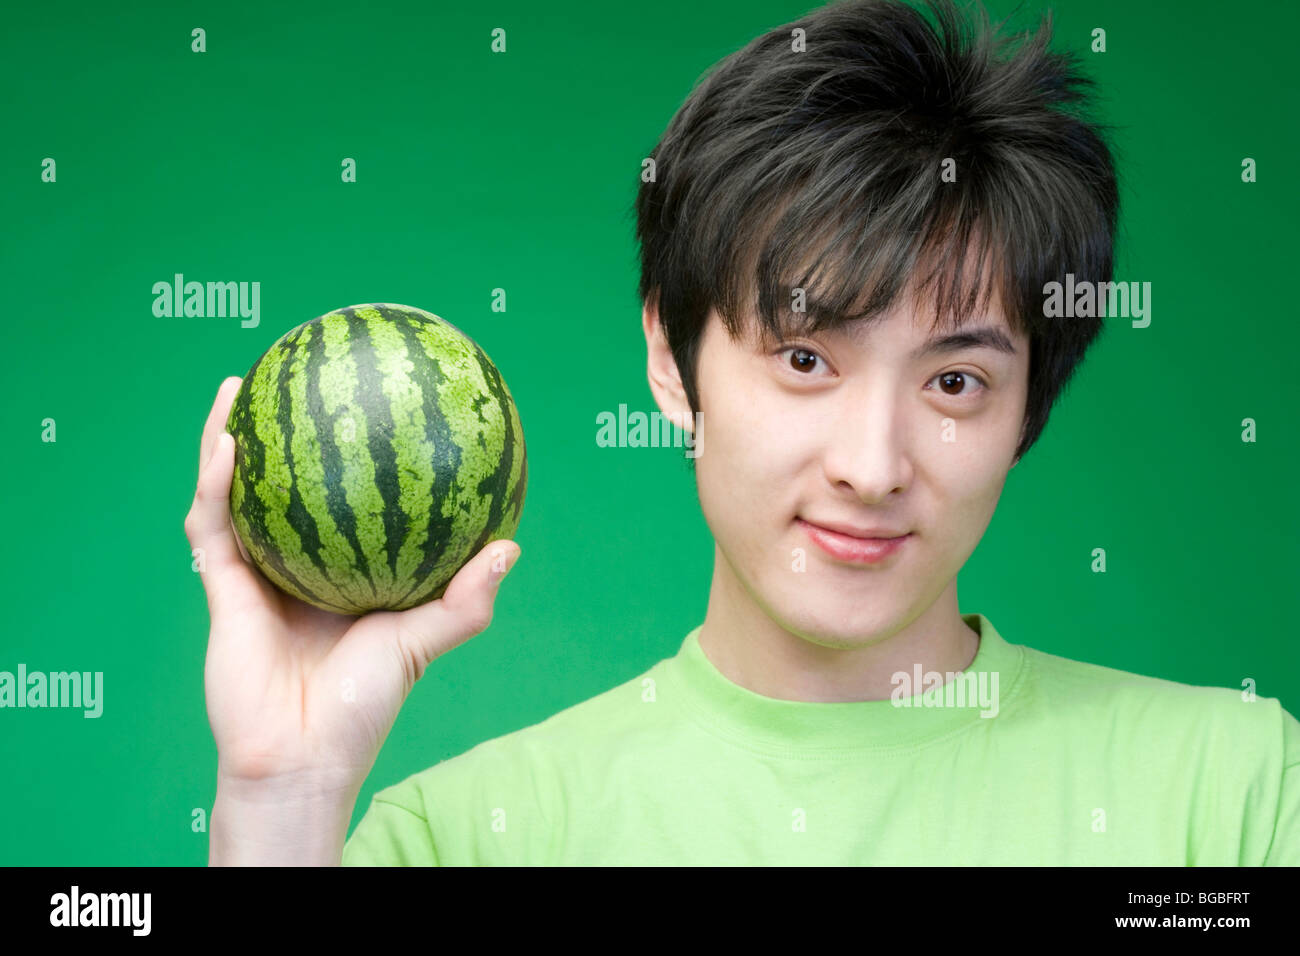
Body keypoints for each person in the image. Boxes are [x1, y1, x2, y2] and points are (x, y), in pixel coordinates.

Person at [185, 0, 1299, 865]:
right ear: (671, 360)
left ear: (1027, 408)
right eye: (805, 357)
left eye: (955, 379)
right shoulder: (464, 837)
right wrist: (283, 791)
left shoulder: (1236, 795)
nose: (871, 467)